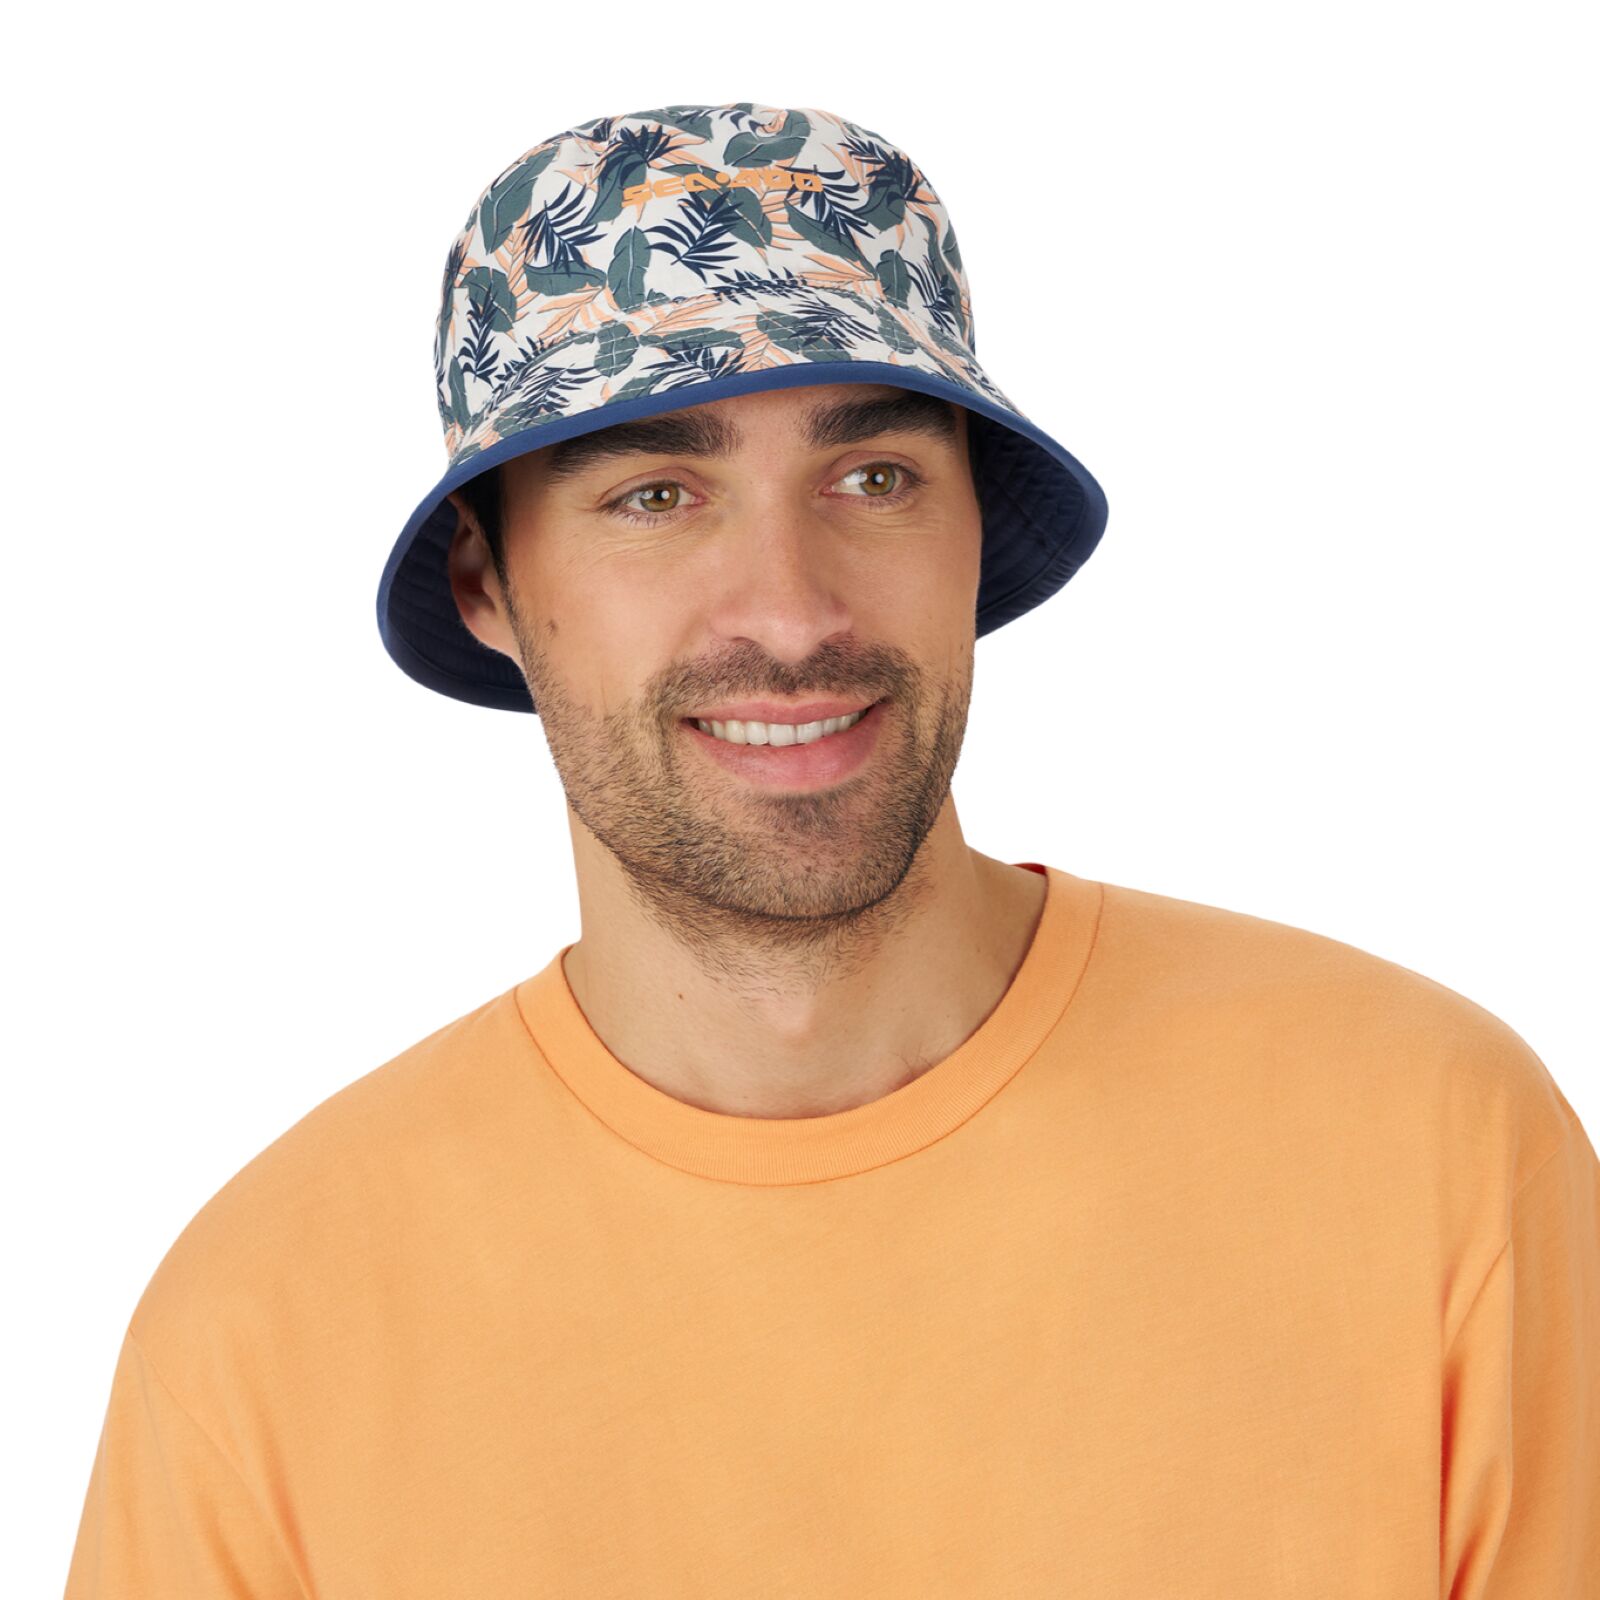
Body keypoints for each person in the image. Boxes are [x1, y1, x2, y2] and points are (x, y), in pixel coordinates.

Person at [65, 101, 1597, 1598]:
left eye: (874, 479)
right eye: (655, 496)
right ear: (488, 583)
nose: (791, 612)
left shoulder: (1430, 1152)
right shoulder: (268, 1339)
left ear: (973, 530)